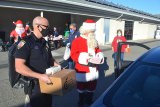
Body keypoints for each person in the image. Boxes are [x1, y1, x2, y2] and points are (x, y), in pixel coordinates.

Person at [15, 16, 60, 107]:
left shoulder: (44, 42)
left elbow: (50, 59)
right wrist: (40, 76)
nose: (48, 29)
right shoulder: (25, 42)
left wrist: (58, 66)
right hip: (35, 86)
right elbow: (19, 67)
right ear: (37, 26)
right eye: (46, 27)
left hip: (48, 81)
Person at [71, 19, 104, 107]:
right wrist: (85, 57)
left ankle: (89, 100)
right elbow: (73, 55)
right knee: (81, 87)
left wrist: (99, 56)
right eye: (91, 31)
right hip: (82, 70)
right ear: (85, 31)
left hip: (93, 68)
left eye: (93, 31)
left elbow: (98, 50)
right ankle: (81, 100)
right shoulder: (76, 41)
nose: (92, 33)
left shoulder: (94, 40)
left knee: (92, 87)